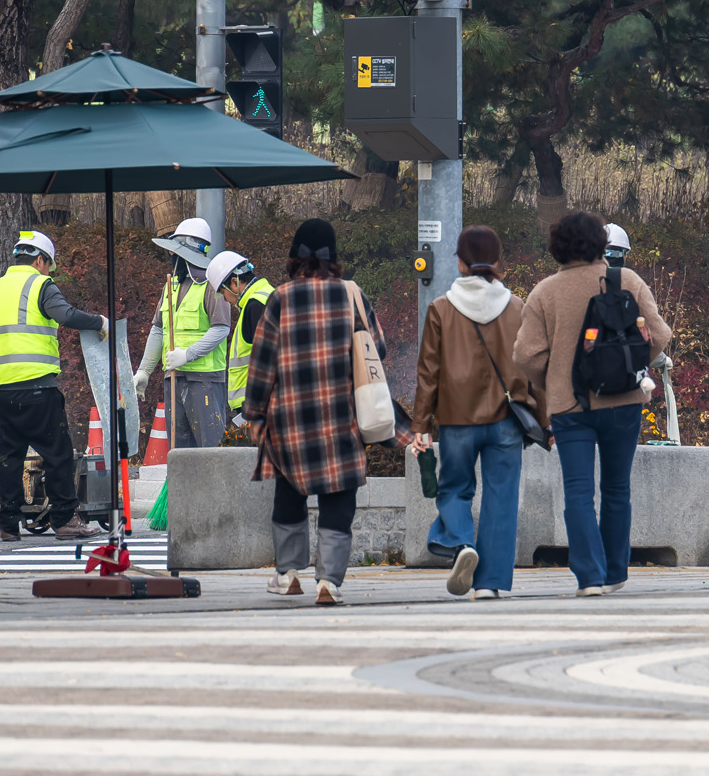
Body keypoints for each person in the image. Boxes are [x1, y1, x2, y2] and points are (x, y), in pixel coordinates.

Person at [242, 218, 409, 605]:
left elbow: (262, 361)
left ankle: (287, 574)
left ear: (294, 259)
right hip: (341, 414)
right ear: (333, 258)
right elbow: (377, 348)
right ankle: (328, 582)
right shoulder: (350, 294)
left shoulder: (280, 298)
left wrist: (254, 414)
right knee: (339, 495)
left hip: (290, 417)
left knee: (289, 490)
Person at [514, 211, 672, 597]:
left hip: (571, 408)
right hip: (624, 401)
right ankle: (617, 570)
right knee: (617, 489)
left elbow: (525, 357)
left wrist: (551, 383)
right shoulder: (627, 280)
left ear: (557, 247)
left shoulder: (544, 292)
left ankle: (590, 577)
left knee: (578, 493)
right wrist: (631, 364)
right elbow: (661, 335)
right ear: (601, 244)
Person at [413, 226, 535, 599]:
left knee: (454, 488)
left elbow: (428, 372)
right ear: (498, 262)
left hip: (456, 419)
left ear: (461, 263)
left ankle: (461, 542)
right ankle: (492, 583)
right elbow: (532, 366)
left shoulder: (441, 309)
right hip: (507, 420)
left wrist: (421, 424)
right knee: (502, 498)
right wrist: (542, 417)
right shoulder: (518, 308)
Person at [0, 229, 106, 541]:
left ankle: (7, 523)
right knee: (57, 453)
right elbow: (65, 315)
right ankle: (64, 520)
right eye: (49, 265)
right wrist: (98, 322)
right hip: (36, 385)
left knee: (9, 456)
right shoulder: (40, 284)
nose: (49, 271)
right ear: (39, 260)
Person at [135, 217, 235, 449]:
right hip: (174, 379)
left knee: (210, 453)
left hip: (205, 381)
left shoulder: (212, 285)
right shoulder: (171, 285)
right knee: (180, 455)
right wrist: (144, 370)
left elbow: (221, 328)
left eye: (176, 253)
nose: (172, 258)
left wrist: (188, 354)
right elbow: (158, 328)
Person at [198, 250, 273, 424]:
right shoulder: (266, 295)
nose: (224, 299)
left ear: (234, 281)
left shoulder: (255, 306)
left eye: (222, 292)